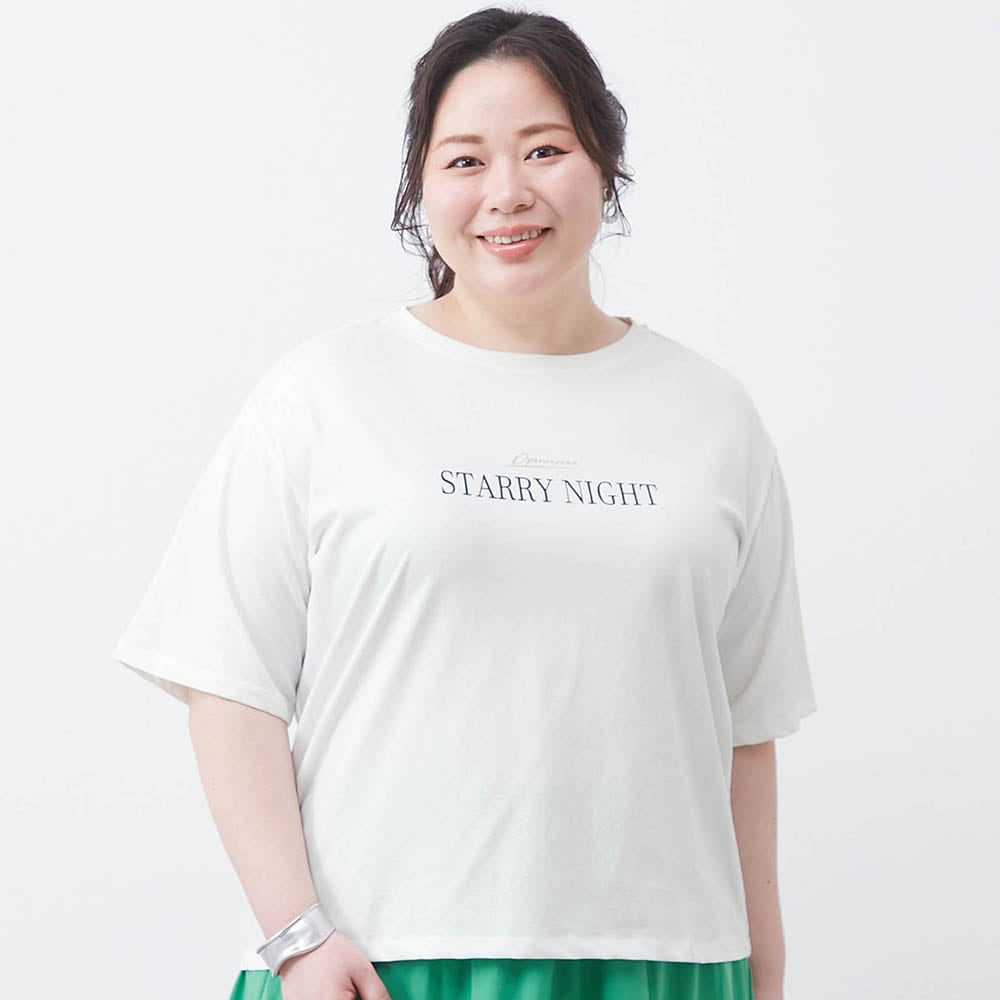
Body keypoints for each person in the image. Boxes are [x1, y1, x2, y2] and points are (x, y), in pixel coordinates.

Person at [112, 7, 817, 1000]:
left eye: (545, 149)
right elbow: (228, 682)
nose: (507, 192)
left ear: (605, 163)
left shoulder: (712, 417)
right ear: (420, 184)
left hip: (665, 959)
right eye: (465, 160)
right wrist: (296, 937)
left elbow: (745, 727)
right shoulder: (324, 393)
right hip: (378, 959)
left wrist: (765, 973)